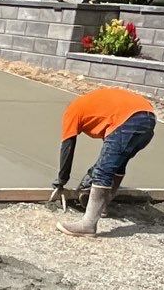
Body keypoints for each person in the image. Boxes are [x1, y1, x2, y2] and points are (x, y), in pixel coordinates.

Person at [53, 87, 158, 237]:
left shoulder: (72, 111)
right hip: (148, 119)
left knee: (102, 172)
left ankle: (88, 225)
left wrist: (62, 180)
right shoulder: (95, 107)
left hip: (129, 120)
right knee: (118, 163)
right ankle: (102, 207)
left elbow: (67, 146)